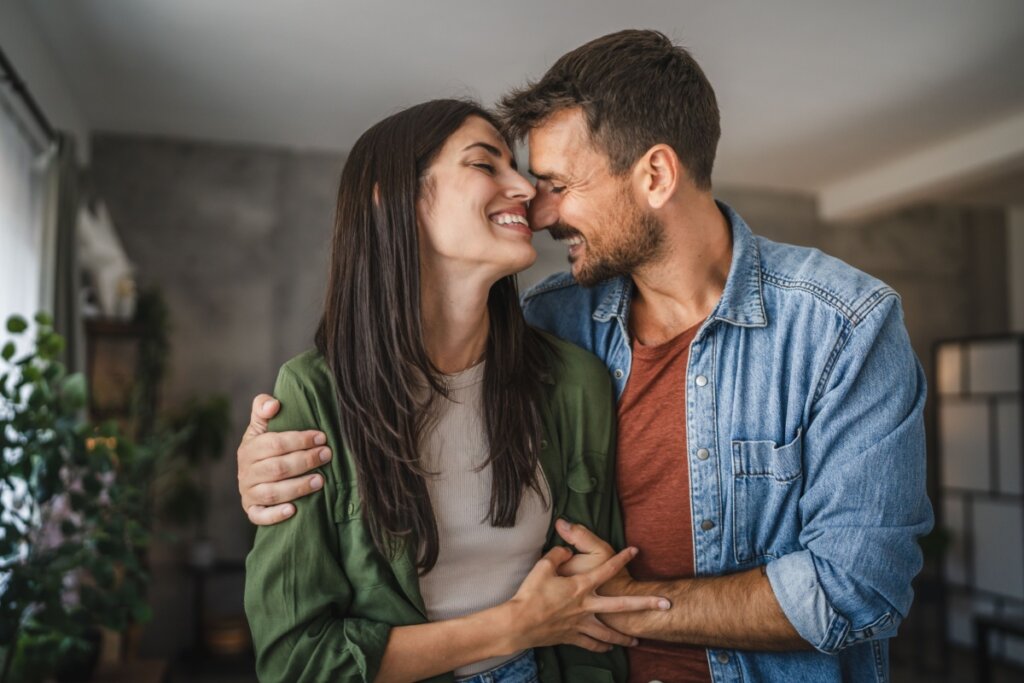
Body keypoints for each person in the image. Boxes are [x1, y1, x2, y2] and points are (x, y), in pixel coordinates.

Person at [239, 31, 933, 683]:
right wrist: (266, 470)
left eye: (558, 185)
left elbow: (856, 588)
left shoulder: (842, 327)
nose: (538, 212)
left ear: (656, 175)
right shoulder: (553, 319)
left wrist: (627, 599)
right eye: (519, 176)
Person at [242, 99, 670, 683]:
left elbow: (591, 624)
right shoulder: (312, 393)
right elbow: (296, 662)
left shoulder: (573, 382)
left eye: (514, 167)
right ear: (389, 195)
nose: (524, 188)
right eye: (484, 165)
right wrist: (514, 626)